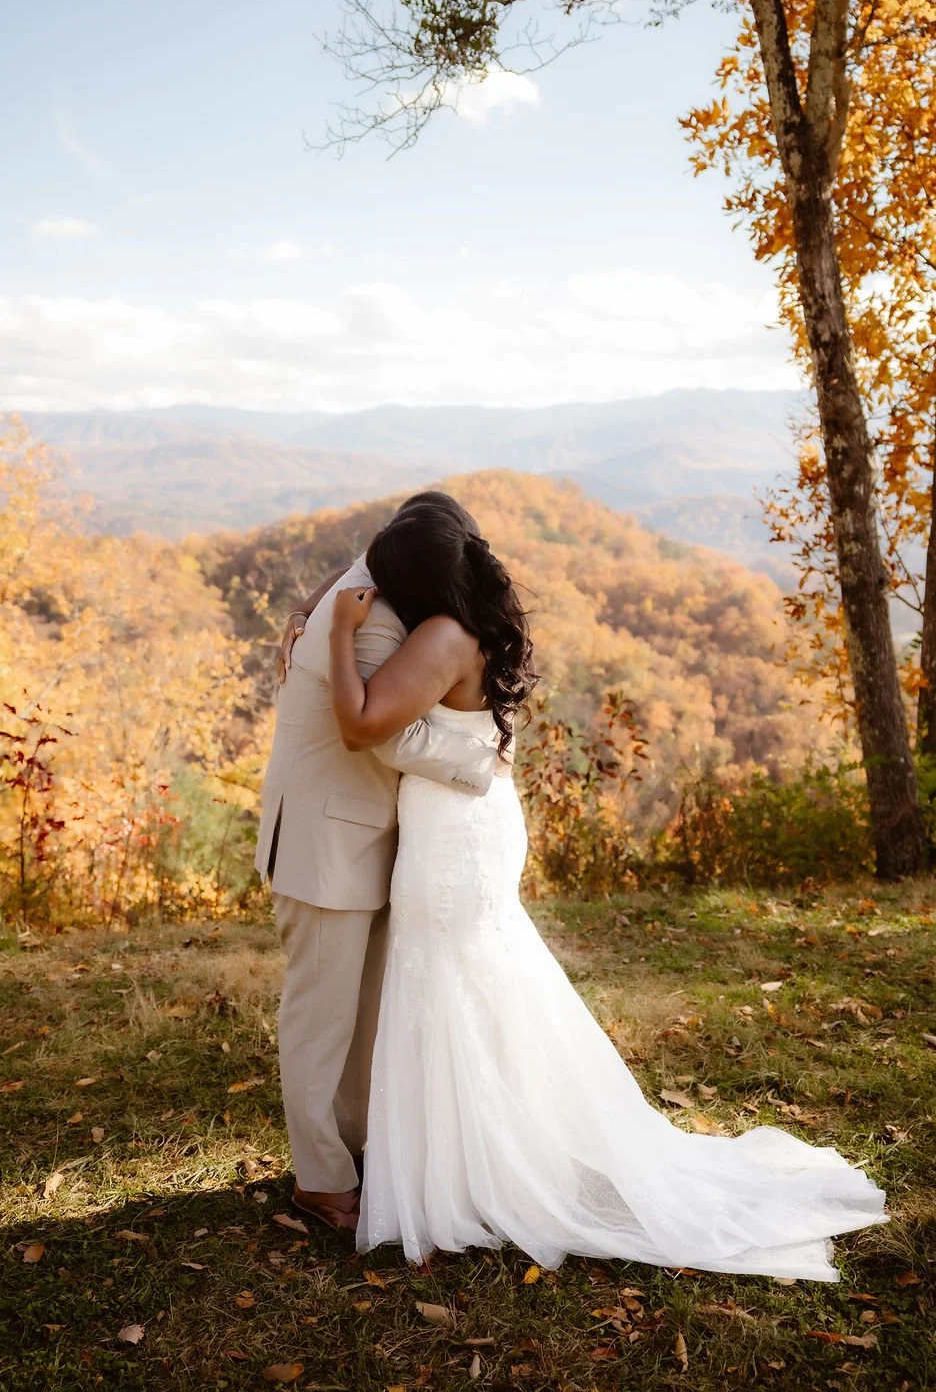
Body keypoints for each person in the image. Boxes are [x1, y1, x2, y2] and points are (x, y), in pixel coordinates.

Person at [320, 497, 887, 1281]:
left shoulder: (440, 637)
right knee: (477, 982)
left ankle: (476, 1166)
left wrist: (341, 630)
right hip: (477, 824)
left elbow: (357, 725)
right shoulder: (474, 625)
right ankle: (483, 1148)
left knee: (448, 982)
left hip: (452, 840)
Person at [255, 492, 498, 1233]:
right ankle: (321, 1182)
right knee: (320, 1020)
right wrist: (480, 758)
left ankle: (352, 1147)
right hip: (326, 840)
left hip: (360, 834)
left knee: (363, 1016)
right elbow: (378, 735)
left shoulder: (370, 576)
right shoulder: (370, 624)